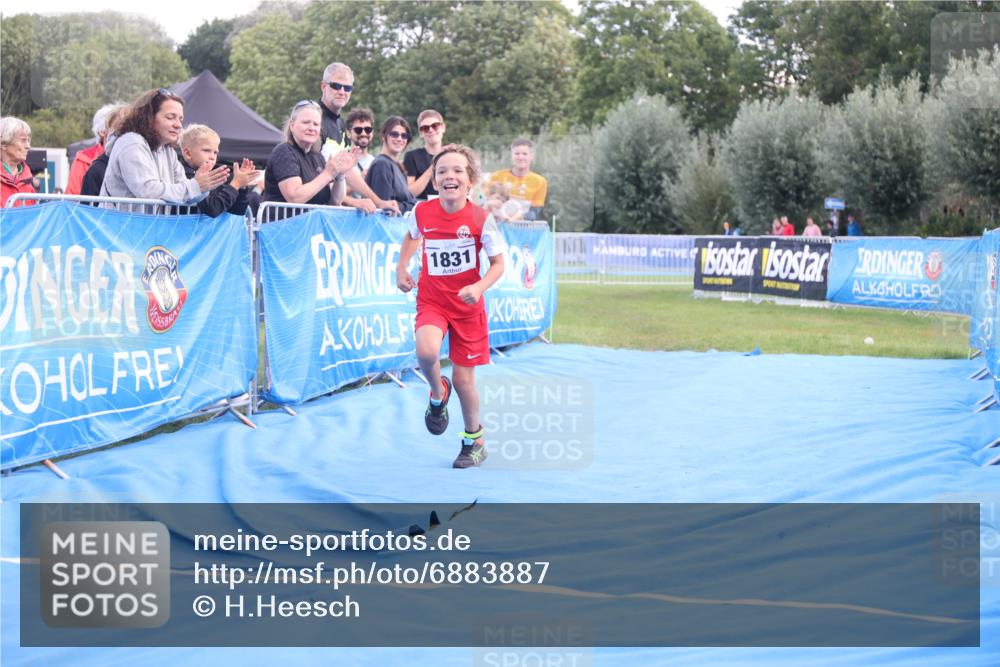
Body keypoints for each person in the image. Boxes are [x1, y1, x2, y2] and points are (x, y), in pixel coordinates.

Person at [395, 144, 506, 468]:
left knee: (463, 381)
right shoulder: (422, 212)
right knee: (426, 351)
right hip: (433, 300)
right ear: (434, 180)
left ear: (470, 180)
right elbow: (412, 236)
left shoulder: (481, 219)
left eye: (457, 170)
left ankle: (474, 441)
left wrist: (479, 286)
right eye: (442, 171)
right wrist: (401, 267)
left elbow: (499, 264)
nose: (449, 176)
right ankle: (436, 393)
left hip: (467, 307)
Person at [101, 88, 230, 210]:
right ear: (149, 117)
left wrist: (203, 186)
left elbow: (186, 194)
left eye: (180, 119)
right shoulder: (131, 143)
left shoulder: (168, 151)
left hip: (147, 225)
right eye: (170, 117)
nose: (178, 125)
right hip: (119, 225)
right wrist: (196, 186)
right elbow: (148, 191)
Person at [315, 61, 398, 214]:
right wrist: (354, 202)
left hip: (328, 211)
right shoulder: (313, 119)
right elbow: (312, 174)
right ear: (323, 86)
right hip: (308, 211)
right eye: (336, 86)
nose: (342, 91)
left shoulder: (340, 124)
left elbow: (349, 172)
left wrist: (379, 202)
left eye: (347, 88)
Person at [262, 100, 356, 208]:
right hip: (285, 219)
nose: (311, 128)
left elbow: (335, 201)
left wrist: (340, 175)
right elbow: (294, 197)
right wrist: (328, 174)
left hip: (315, 219)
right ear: (292, 125)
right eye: (306, 122)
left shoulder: (318, 157)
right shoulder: (284, 151)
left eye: (316, 124)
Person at [179, 124, 260, 217]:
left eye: (215, 152)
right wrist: (235, 184)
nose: (212, 157)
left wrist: (241, 187)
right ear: (188, 153)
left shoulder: (211, 176)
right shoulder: (183, 176)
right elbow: (213, 209)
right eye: (206, 150)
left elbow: (238, 211)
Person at [66, 103, 123, 195]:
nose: (123, 131)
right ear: (102, 132)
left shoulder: (131, 156)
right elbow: (73, 196)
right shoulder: (84, 159)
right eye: (117, 127)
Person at [365, 116, 417, 214]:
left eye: (404, 136)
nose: (399, 139)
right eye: (394, 134)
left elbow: (412, 202)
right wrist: (409, 206)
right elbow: (384, 209)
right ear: (383, 136)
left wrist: (408, 205)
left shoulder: (399, 167)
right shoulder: (382, 165)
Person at [487, 138, 547, 221]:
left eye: (524, 154)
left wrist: (516, 218)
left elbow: (535, 213)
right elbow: (482, 202)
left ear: (531, 156)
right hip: (498, 225)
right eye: (517, 154)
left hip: (523, 227)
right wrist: (490, 203)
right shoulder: (497, 176)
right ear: (512, 156)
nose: (520, 157)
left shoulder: (540, 181)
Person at [80, 105, 128, 198]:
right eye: (119, 130)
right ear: (102, 131)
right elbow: (75, 196)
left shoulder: (139, 164)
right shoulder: (90, 166)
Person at [340, 108, 380, 213]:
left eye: (368, 129)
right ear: (348, 133)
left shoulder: (376, 162)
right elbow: (334, 194)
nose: (363, 133)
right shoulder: (340, 158)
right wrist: (360, 180)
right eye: (358, 130)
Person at [404, 109, 446, 200]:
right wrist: (433, 166)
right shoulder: (412, 156)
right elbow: (410, 192)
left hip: (448, 203)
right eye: (425, 128)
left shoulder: (452, 155)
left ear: (443, 128)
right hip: (422, 204)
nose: (431, 130)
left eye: (435, 126)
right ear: (421, 133)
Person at [0, 116, 36, 207]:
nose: (28, 146)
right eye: (23, 140)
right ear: (3, 144)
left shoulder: (28, 182)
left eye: (28, 141)